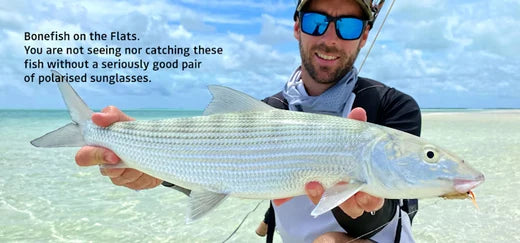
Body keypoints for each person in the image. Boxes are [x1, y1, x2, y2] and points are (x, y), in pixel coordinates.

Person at [75, 0, 421, 242]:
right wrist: (148, 164)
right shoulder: (266, 108)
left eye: (348, 25)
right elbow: (222, 168)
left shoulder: (392, 107)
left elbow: (400, 206)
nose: (330, 38)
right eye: (317, 22)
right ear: (298, 28)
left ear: (364, 35)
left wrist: (356, 223)